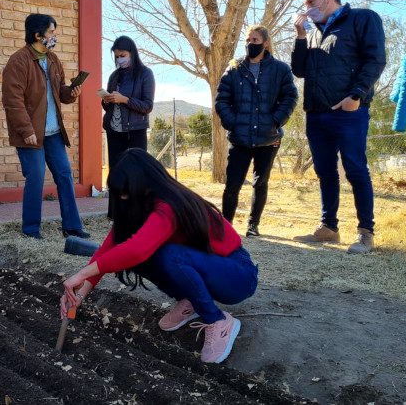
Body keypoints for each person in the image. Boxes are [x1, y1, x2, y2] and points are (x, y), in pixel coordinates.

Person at [60, 148, 258, 364]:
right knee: (136, 255)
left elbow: (136, 249)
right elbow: (109, 247)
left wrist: (81, 273)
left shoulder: (170, 206)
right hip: (206, 268)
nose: (123, 200)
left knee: (167, 255)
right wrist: (80, 294)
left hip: (237, 276)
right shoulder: (140, 207)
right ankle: (191, 300)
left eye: (127, 193)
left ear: (144, 185)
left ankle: (218, 321)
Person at [291, 0, 385, 253]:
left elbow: (376, 60)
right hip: (317, 113)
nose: (307, 7)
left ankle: (366, 232)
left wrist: (356, 95)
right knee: (324, 172)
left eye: (311, 1)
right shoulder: (312, 33)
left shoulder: (363, 19)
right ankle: (328, 228)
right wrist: (300, 36)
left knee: (355, 169)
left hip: (349, 112)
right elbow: (299, 70)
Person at [2, 13, 90, 240]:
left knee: (64, 175)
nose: (54, 36)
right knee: (36, 177)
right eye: (51, 32)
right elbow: (13, 102)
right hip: (31, 134)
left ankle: (72, 227)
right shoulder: (18, 61)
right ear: (37, 35)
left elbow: (61, 92)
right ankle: (31, 229)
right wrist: (27, 130)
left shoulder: (52, 59)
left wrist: (72, 93)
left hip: (53, 133)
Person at [216, 25, 298, 237]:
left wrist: (276, 120)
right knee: (232, 184)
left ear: (266, 43)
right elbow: (222, 99)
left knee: (260, 182)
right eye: (248, 40)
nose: (250, 44)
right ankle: (226, 226)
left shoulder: (280, 69)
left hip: (268, 139)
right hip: (240, 138)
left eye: (255, 40)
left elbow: (290, 97)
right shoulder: (234, 68)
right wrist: (233, 122)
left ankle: (253, 225)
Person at [101, 35, 155, 168]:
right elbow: (108, 108)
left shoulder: (145, 74)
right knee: (116, 171)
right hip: (113, 130)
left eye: (122, 55)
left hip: (135, 131)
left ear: (132, 53)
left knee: (136, 171)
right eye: (117, 57)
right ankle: (114, 190)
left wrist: (125, 100)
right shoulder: (114, 76)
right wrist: (107, 100)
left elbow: (147, 106)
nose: (120, 59)